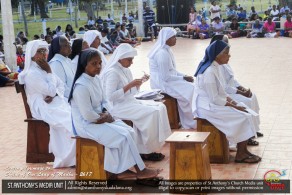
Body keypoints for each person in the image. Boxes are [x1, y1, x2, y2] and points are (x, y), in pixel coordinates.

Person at [68, 48, 161, 179]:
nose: (98, 66)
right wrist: (105, 118)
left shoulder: (95, 79)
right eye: (94, 64)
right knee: (122, 136)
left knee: (130, 131)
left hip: (101, 119)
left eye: (100, 63)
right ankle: (140, 171)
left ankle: (120, 169)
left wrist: (106, 114)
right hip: (86, 125)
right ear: (84, 65)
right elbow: (87, 115)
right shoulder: (81, 86)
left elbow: (105, 100)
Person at [194, 40, 261, 163]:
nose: (229, 56)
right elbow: (214, 98)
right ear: (217, 55)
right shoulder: (209, 72)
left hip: (215, 102)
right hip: (207, 107)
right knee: (242, 116)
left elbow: (222, 91)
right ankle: (240, 154)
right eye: (226, 53)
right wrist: (233, 106)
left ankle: (244, 150)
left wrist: (235, 103)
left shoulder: (217, 67)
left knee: (245, 110)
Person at [102, 44, 171, 161]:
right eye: (129, 60)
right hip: (117, 107)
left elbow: (131, 92)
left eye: (132, 59)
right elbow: (110, 97)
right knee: (152, 113)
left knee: (160, 106)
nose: (132, 62)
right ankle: (147, 149)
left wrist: (139, 83)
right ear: (120, 58)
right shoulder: (112, 72)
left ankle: (146, 148)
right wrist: (130, 84)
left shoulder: (125, 70)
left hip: (130, 102)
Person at [18, 40, 75, 168]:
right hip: (42, 106)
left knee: (75, 117)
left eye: (45, 51)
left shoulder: (43, 68)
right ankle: (69, 158)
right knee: (68, 122)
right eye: (40, 51)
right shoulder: (32, 73)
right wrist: (49, 72)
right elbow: (51, 89)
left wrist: (54, 93)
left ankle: (76, 154)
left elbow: (60, 86)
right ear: (32, 54)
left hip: (54, 102)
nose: (43, 54)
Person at [210, 35, 262, 145]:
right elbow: (223, 88)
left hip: (227, 93)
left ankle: (254, 130)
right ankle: (246, 136)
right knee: (246, 103)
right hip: (226, 94)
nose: (227, 45)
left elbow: (232, 79)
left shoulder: (223, 60)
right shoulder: (215, 65)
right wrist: (239, 94)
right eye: (225, 43)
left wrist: (242, 88)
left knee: (252, 96)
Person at [148, 27, 197, 129]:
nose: (176, 39)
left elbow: (172, 71)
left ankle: (191, 118)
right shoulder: (161, 54)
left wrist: (184, 76)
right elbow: (165, 77)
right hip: (161, 82)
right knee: (189, 92)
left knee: (193, 86)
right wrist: (183, 79)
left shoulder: (167, 50)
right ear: (166, 39)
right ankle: (189, 123)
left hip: (168, 79)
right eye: (173, 37)